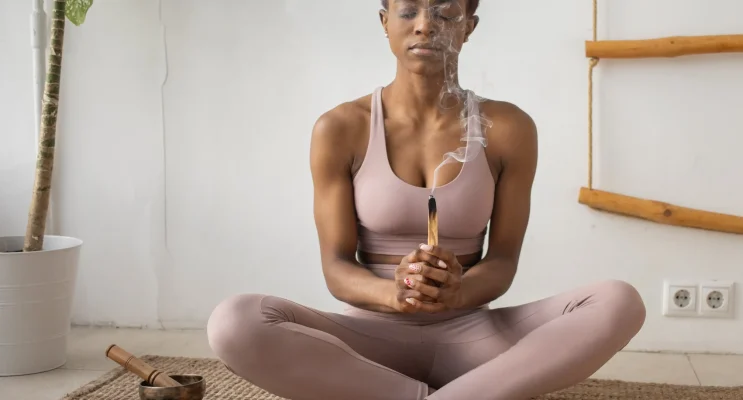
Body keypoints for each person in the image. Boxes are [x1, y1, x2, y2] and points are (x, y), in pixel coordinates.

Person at [206, 1, 646, 399]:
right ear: (385, 22)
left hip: (474, 337)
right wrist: (395, 294)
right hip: (365, 340)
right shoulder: (341, 127)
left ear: (468, 27)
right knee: (234, 321)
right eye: (408, 11)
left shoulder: (508, 128)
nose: (424, 26)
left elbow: (504, 261)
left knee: (619, 301)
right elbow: (337, 268)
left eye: (443, 12)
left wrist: (460, 291)